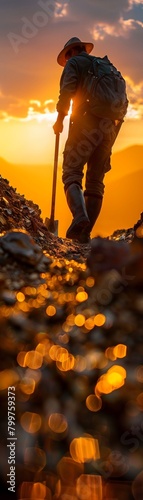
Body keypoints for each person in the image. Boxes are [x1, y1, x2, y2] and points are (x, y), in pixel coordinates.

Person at [53, 37, 125, 243]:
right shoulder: (107, 66)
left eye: (66, 58)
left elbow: (66, 92)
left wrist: (60, 119)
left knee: (71, 172)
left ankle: (79, 217)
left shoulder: (74, 64)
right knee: (95, 181)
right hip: (109, 126)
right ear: (84, 49)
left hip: (86, 122)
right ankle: (84, 235)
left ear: (69, 54)